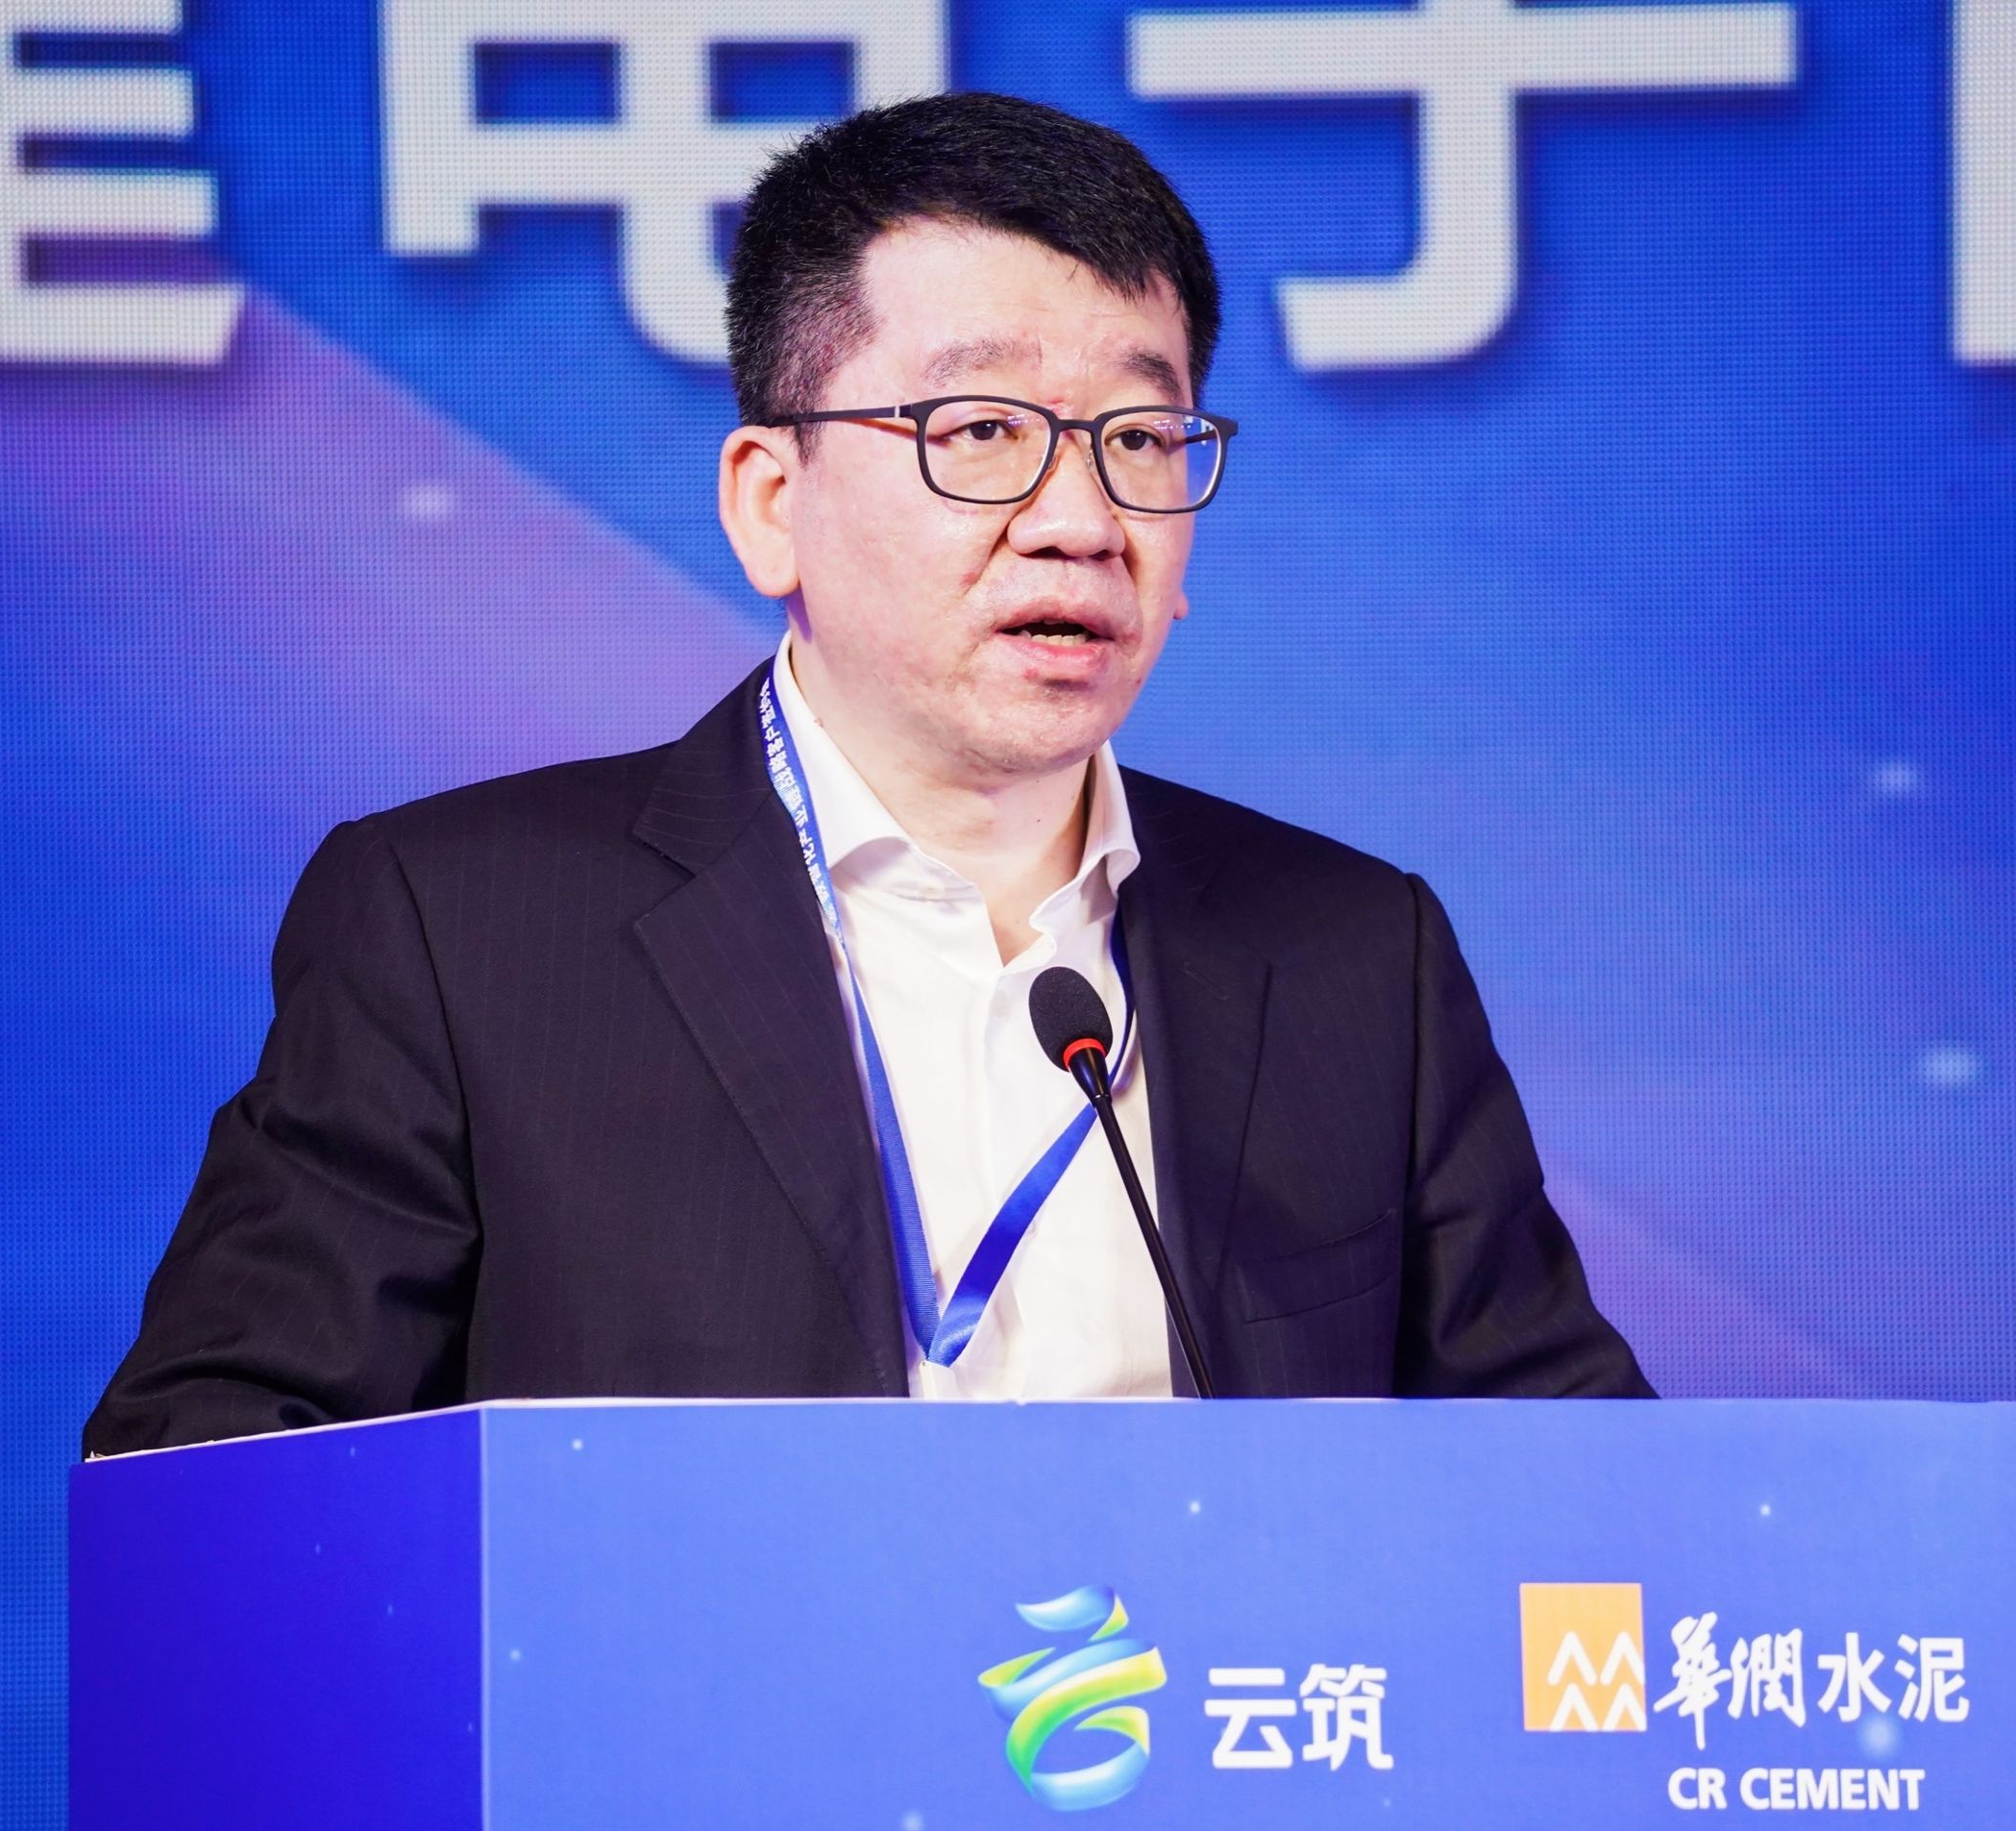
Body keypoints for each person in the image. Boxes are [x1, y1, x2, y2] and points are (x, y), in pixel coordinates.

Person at [84, 92, 1649, 1456]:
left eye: (1140, 439)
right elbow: (212, 1471)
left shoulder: (1353, 954)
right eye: (981, 430)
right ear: (773, 502)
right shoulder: (465, 932)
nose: (1080, 521)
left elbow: (1590, 1492)